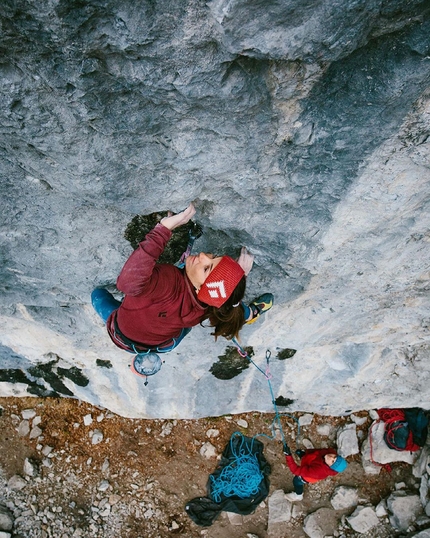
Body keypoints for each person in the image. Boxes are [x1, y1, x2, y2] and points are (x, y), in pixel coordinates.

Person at [91, 203, 273, 375]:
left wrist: (162, 230)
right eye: (213, 257)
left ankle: (249, 314)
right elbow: (225, 303)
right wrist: (236, 277)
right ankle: (251, 314)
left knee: (97, 294)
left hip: (125, 333)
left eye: (206, 268)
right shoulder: (209, 303)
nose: (203, 256)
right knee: (217, 312)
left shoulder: (168, 281)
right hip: (165, 342)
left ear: (202, 288)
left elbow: (128, 284)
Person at [282, 443, 348, 501]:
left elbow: (296, 470)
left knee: (296, 481)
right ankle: (303, 456)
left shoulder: (318, 472)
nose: (330, 457)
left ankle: (298, 495)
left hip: (308, 476)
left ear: (330, 466)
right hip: (311, 460)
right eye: (335, 457)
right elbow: (318, 451)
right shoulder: (331, 452)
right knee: (304, 456)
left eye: (332, 461)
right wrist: (307, 452)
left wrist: (288, 455)